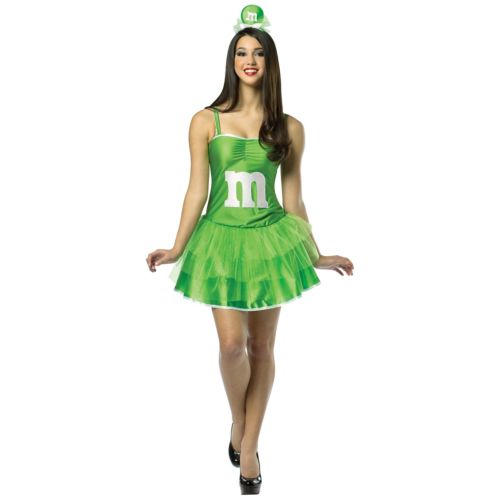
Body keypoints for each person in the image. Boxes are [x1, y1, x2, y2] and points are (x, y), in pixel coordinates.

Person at [146, 5, 354, 494]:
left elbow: (294, 200)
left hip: (269, 240)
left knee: (262, 348)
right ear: (231, 60)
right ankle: (239, 423)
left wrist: (316, 254)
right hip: (220, 240)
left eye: (258, 53)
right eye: (242, 52)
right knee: (231, 346)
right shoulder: (205, 121)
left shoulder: (290, 127)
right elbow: (196, 191)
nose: (250, 61)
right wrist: (177, 246)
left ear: (270, 62)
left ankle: (251, 446)